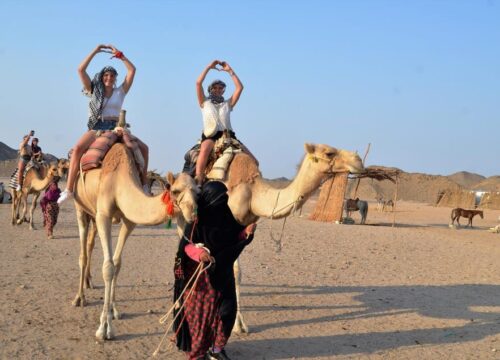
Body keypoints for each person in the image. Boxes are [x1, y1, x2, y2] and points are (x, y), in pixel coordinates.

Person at [173, 181, 256, 360]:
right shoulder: (196, 223)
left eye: (225, 199)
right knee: (201, 319)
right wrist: (200, 253)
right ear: (210, 200)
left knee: (227, 312)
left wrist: (246, 234)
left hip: (224, 274)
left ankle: (217, 349)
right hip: (202, 279)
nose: (223, 203)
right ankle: (197, 353)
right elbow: (186, 246)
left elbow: (235, 237)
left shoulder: (227, 219)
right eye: (220, 199)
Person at [58, 44, 149, 204]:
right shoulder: (94, 90)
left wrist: (120, 55)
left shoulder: (120, 92)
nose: (109, 78)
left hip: (116, 127)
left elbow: (132, 70)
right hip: (98, 127)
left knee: (144, 149)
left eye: (112, 76)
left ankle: (144, 184)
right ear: (102, 77)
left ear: (115, 79)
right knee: (78, 148)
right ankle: (69, 189)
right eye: (106, 75)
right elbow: (80, 70)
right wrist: (96, 50)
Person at [194, 60, 245, 185]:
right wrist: (208, 67)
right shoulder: (204, 102)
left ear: (223, 90)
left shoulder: (227, 104)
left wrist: (230, 71)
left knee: (253, 160)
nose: (218, 90)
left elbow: (240, 88)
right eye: (215, 87)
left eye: (220, 88)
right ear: (210, 89)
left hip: (228, 137)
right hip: (211, 136)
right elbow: (198, 83)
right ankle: (198, 181)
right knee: (205, 150)